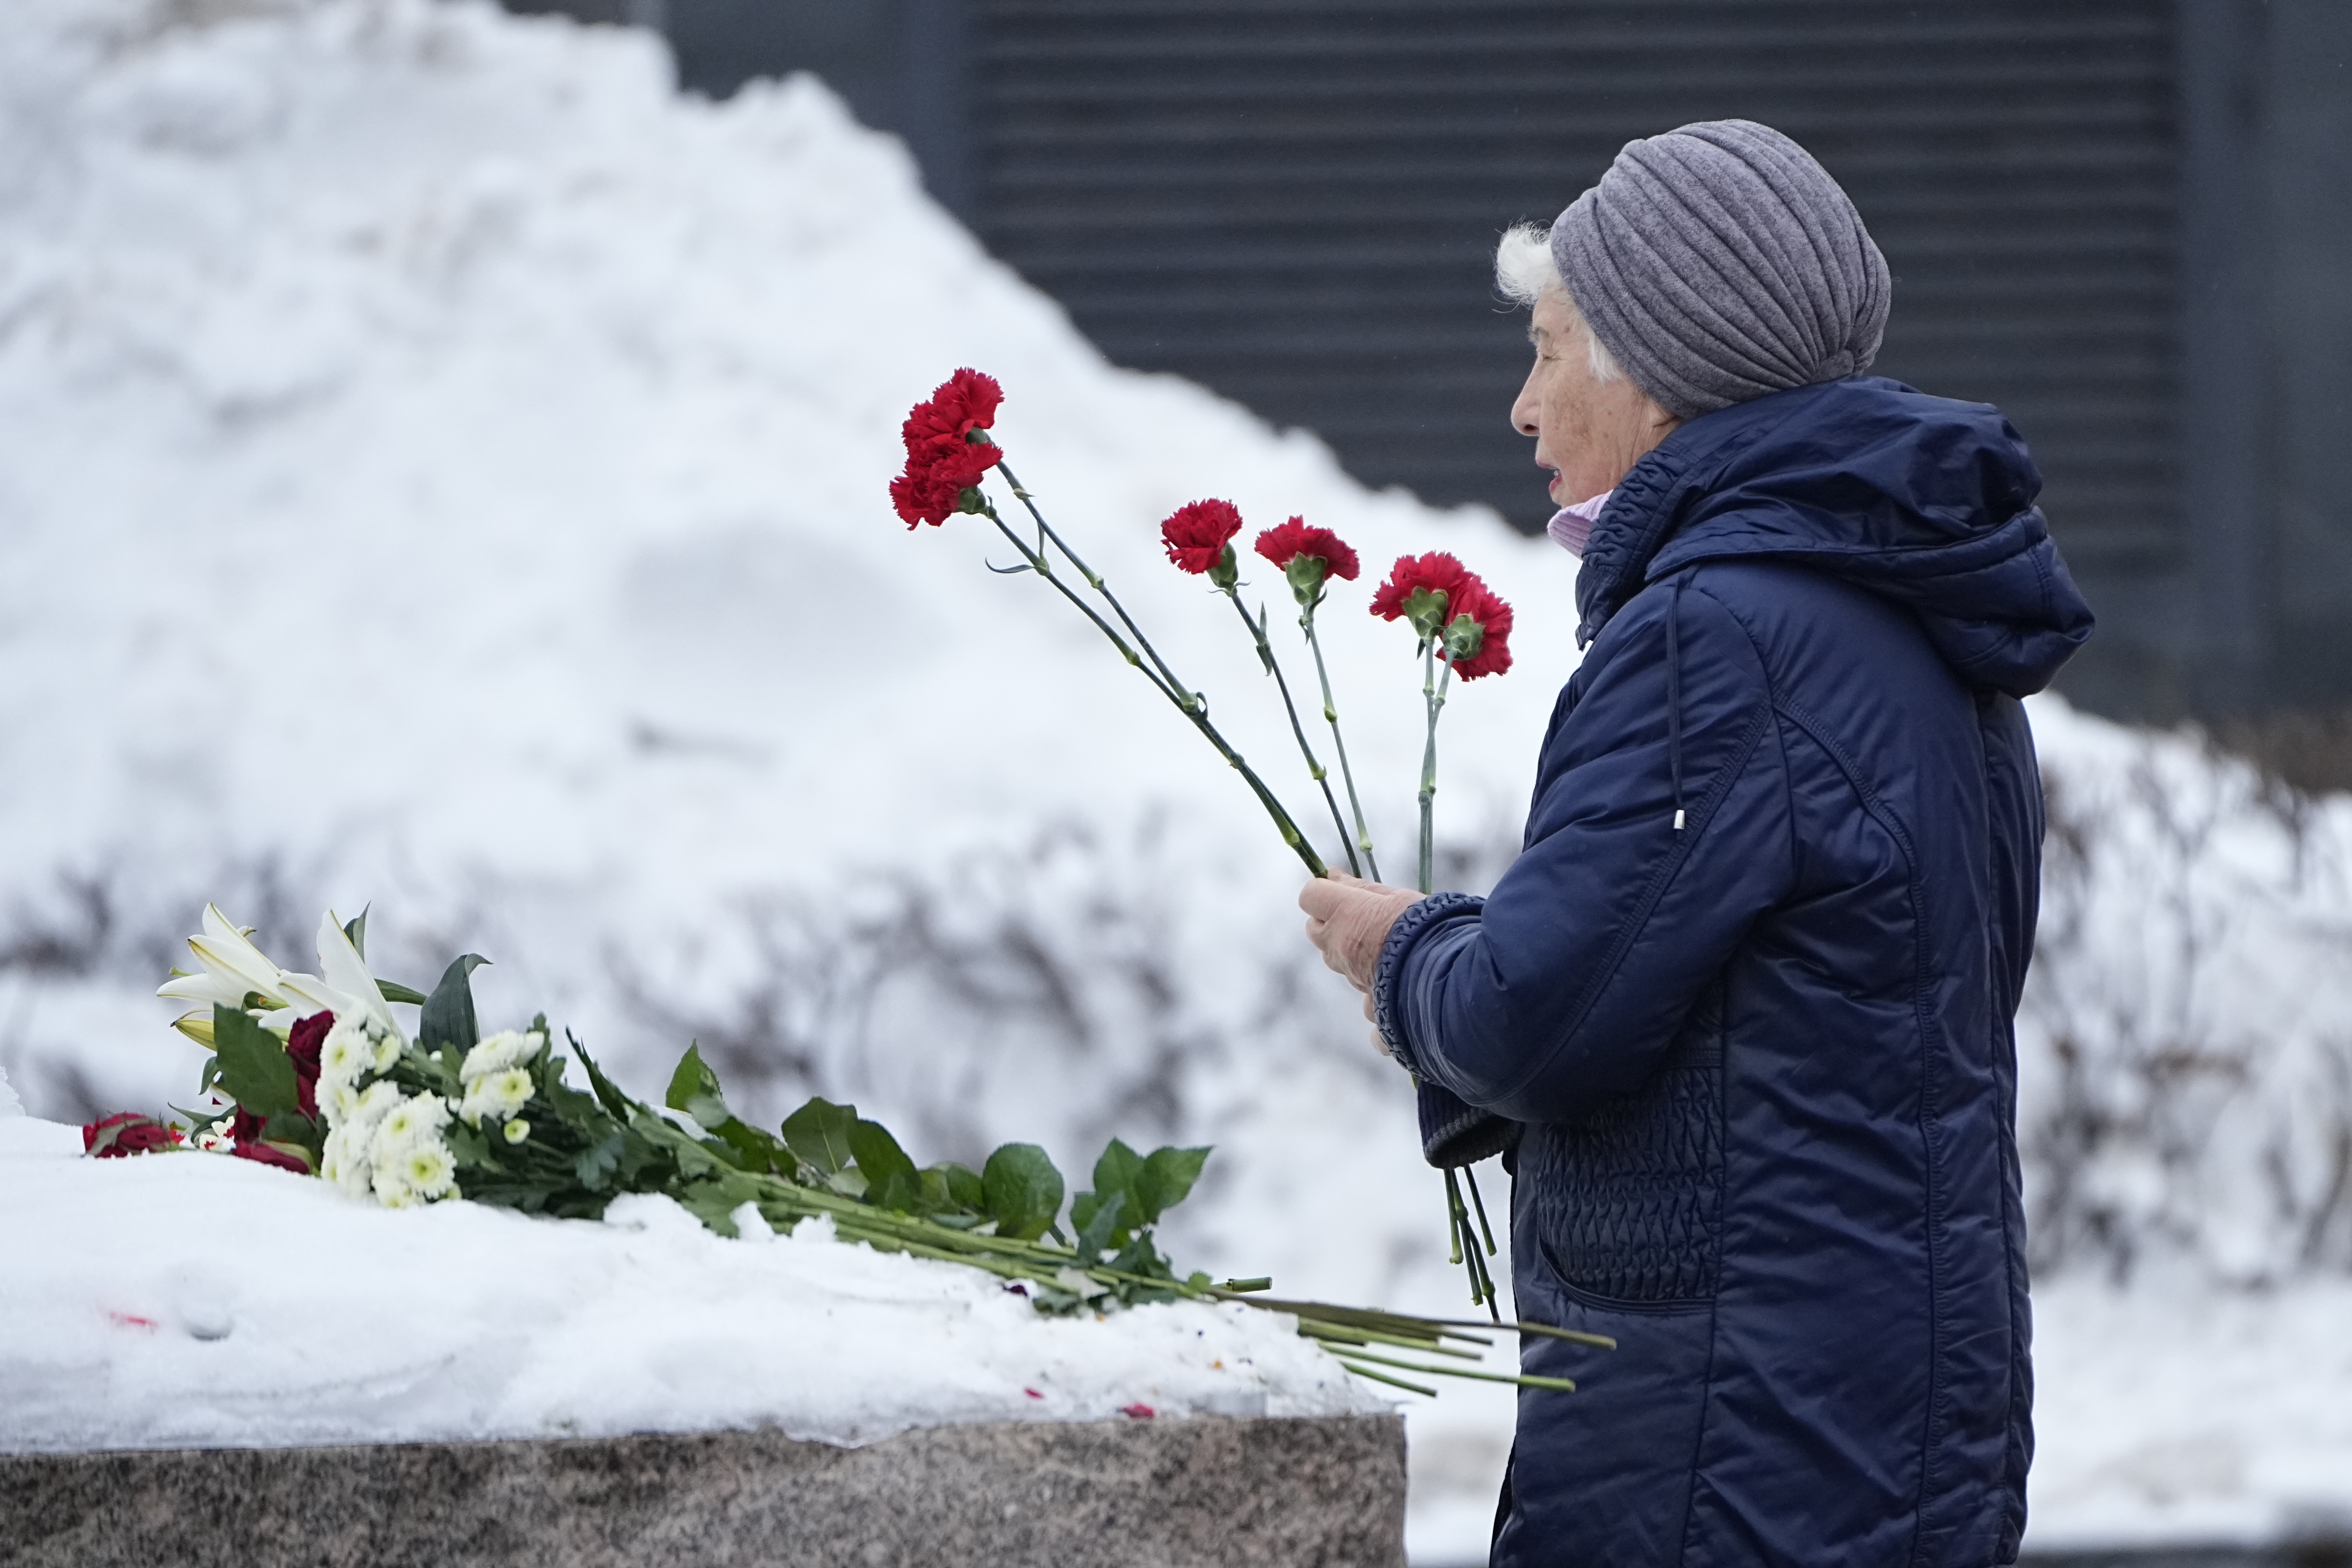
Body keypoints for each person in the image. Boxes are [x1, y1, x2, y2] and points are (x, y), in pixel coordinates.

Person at [1300, 120, 2094, 1568]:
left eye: (1548, 351)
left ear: (1655, 374)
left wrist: (1401, 949)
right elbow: (1786, 1011)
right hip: (1888, 1404)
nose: (1523, 409)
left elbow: (1540, 1021)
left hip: (1730, 1445)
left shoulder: (1714, 638)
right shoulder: (1907, 617)